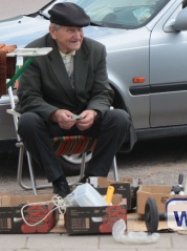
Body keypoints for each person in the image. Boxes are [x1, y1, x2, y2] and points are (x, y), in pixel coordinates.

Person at [16, 2, 131, 198]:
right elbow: (28, 96)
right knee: (27, 122)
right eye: (71, 30)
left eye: (80, 30)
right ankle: (59, 182)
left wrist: (94, 112)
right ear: (53, 31)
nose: (77, 36)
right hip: (51, 122)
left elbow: (103, 92)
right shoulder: (33, 51)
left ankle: (92, 180)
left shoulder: (95, 50)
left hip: (85, 120)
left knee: (120, 118)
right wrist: (54, 113)